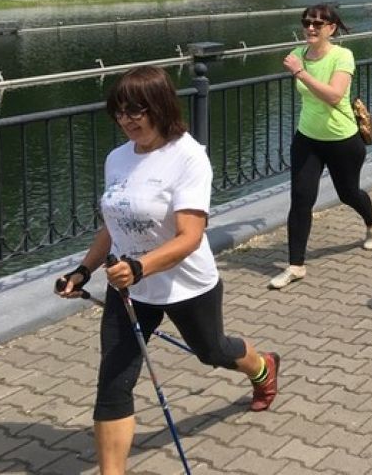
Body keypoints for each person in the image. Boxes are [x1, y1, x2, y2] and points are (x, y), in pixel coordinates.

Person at [55, 66, 280, 474]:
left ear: (159, 106)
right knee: (113, 382)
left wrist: (139, 266)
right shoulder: (117, 158)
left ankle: (263, 366)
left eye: (135, 110)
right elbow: (114, 222)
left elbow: (190, 236)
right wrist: (83, 271)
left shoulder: (188, 156)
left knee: (212, 352)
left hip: (185, 284)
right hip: (130, 291)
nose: (126, 120)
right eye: (119, 112)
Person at [270, 4, 372, 289]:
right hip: (307, 138)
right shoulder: (298, 55)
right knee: (301, 200)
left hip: (342, 140)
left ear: (331, 29)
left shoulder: (342, 56)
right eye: (306, 22)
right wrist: (299, 69)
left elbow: (334, 95)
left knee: (348, 193)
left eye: (317, 24)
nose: (310, 28)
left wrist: (301, 74)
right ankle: (295, 266)